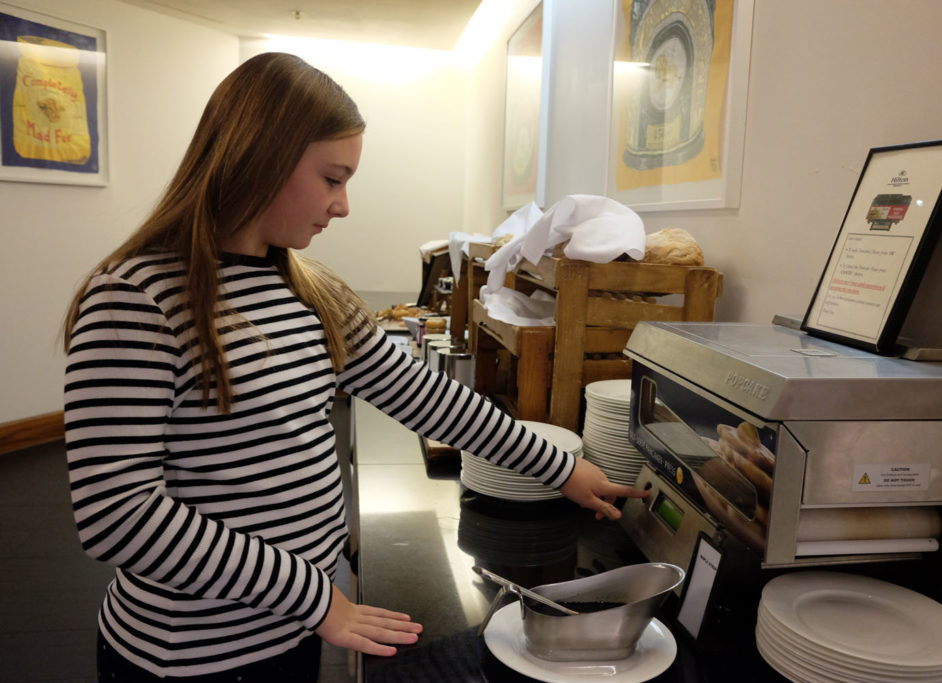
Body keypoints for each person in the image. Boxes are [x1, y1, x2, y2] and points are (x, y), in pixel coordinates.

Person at [62, 52, 647, 681]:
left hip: (290, 629)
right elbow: (116, 513)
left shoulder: (309, 289)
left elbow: (424, 395)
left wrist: (559, 466)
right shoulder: (138, 297)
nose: (342, 206)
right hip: (190, 656)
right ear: (260, 157)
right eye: (331, 179)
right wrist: (315, 599)